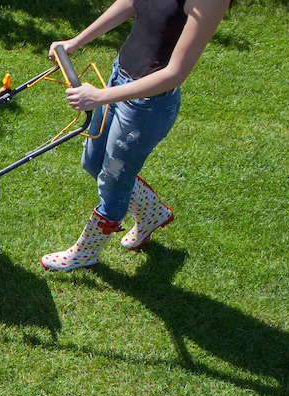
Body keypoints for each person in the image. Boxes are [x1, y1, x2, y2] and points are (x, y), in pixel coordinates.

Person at [40, 0, 232, 271]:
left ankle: (87, 253)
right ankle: (152, 213)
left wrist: (99, 96)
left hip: (147, 105)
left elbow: (175, 74)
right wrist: (75, 41)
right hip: (119, 77)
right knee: (93, 162)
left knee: (114, 182)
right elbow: (131, 2)